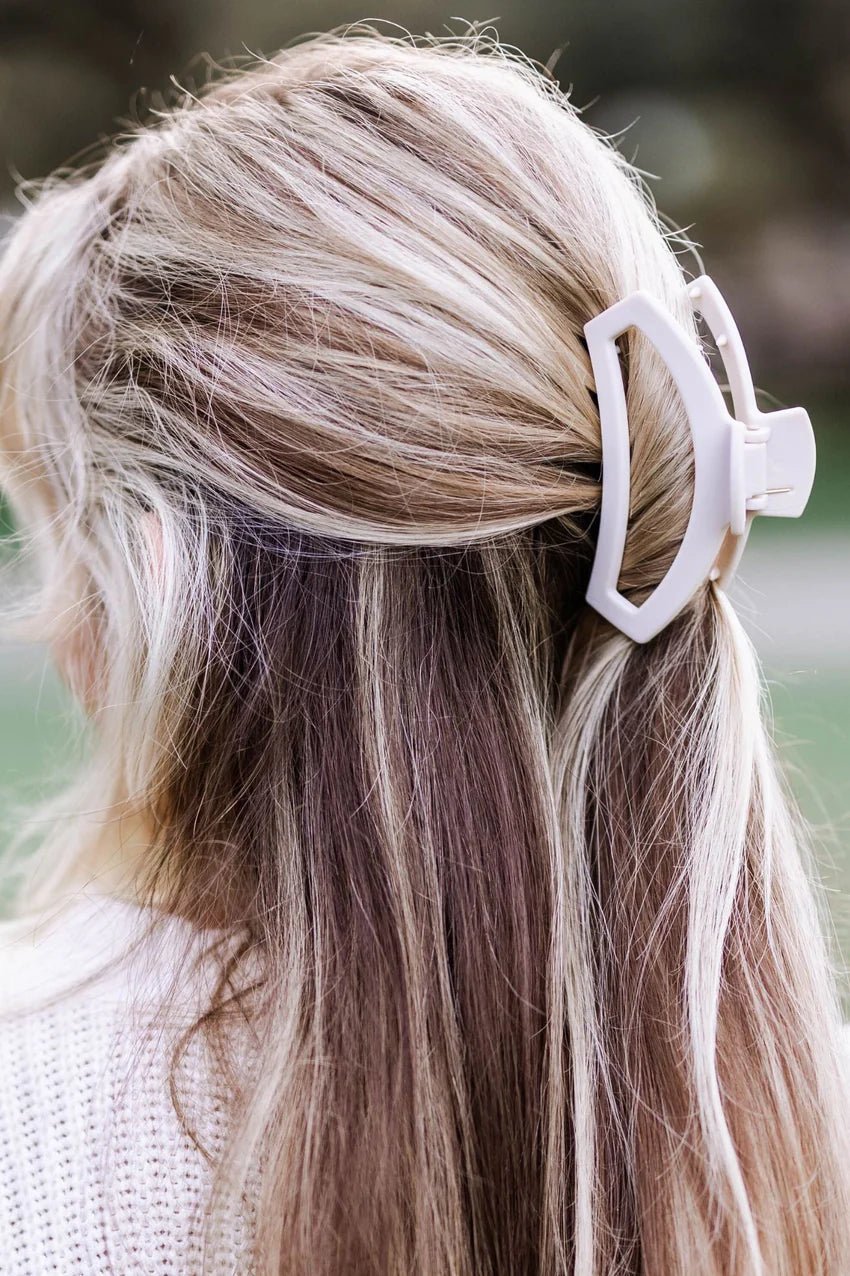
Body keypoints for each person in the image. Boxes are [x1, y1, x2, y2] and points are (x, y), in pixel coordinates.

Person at [0, 23, 847, 1276]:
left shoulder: (30, 1119)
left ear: (162, 590)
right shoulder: (799, 1135)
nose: (48, 623)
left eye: (61, 546)